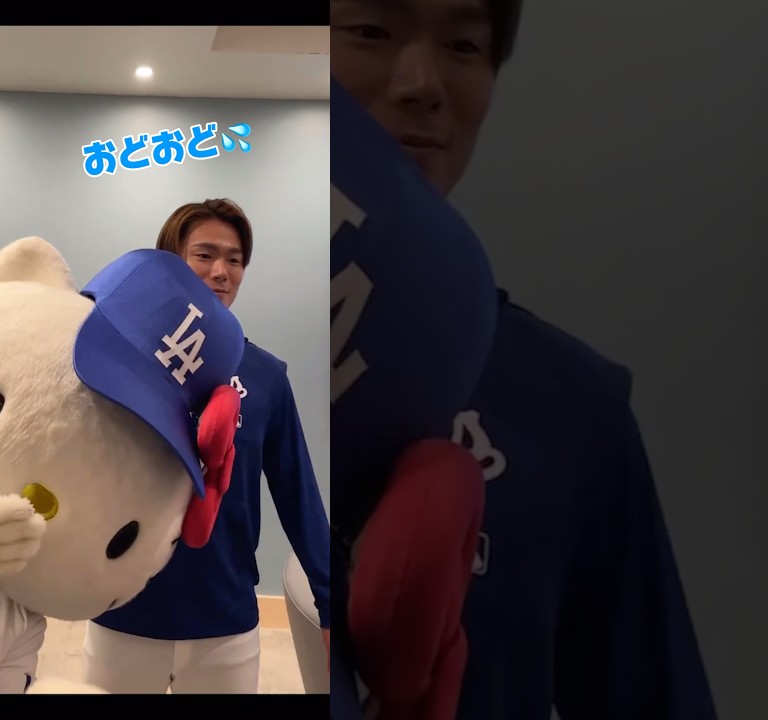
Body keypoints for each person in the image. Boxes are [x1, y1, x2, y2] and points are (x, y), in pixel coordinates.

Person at [330, 1, 719, 718]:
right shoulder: (216, 364)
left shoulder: (573, 406)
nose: (422, 83)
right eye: (371, 32)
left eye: (463, 46)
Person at [81, 199, 331, 694]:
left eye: (234, 260)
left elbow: (297, 493)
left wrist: (331, 601)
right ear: (170, 264)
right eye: (204, 255)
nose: (221, 271)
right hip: (122, 612)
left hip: (225, 623)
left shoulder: (267, 377)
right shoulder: (121, 361)